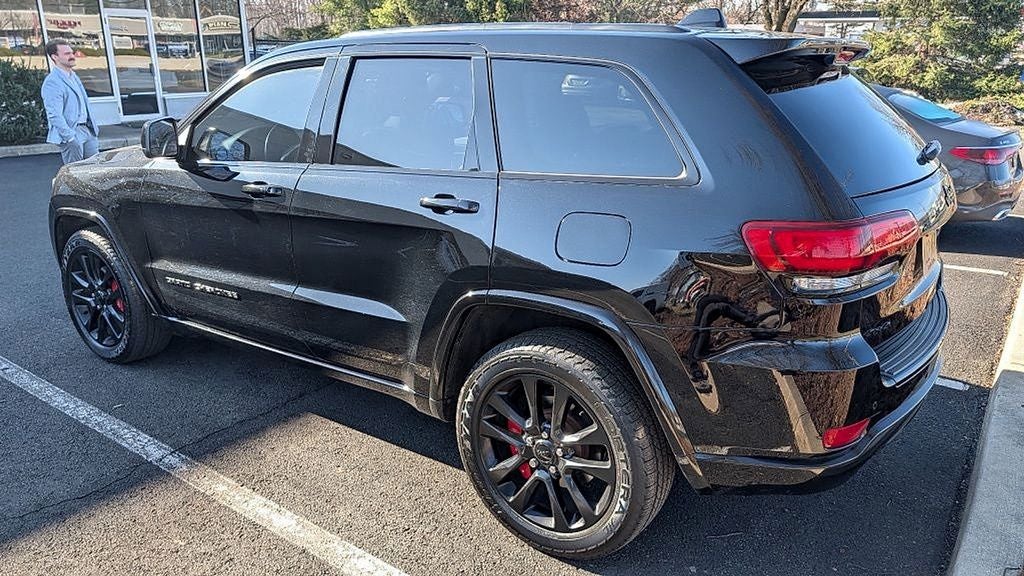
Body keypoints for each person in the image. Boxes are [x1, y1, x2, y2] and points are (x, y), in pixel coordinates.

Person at [41, 39, 100, 164]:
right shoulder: (53, 82)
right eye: (67, 54)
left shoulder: (73, 76)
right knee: (75, 175)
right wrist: (70, 137)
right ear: (55, 57)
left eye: (72, 53)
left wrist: (93, 129)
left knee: (96, 172)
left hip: (87, 130)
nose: (72, 56)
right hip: (72, 132)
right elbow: (54, 114)